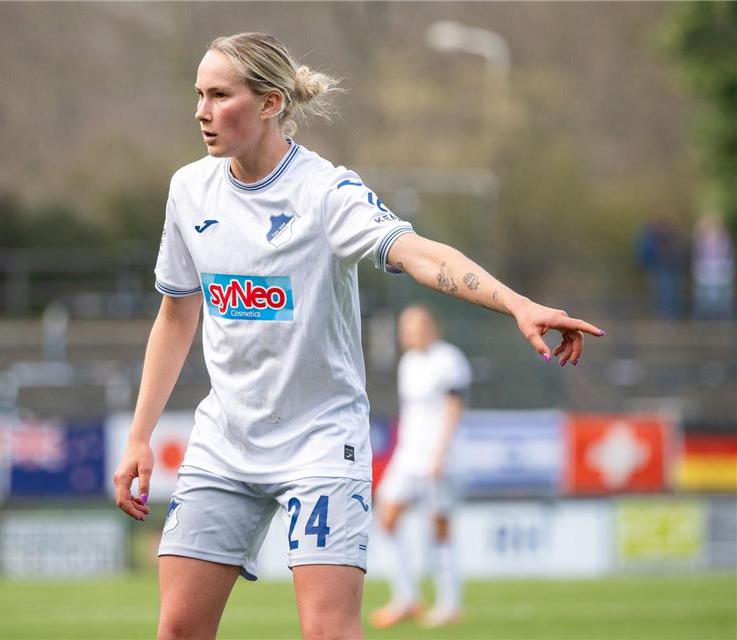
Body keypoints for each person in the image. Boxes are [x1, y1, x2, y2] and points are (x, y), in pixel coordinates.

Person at [113, 32, 604, 640]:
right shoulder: (190, 190)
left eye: (219, 95)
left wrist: (516, 303)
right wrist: (140, 434)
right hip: (225, 443)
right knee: (178, 630)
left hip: (320, 443)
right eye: (198, 95)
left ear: (269, 103)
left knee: (328, 633)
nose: (201, 111)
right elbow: (176, 313)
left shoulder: (325, 192)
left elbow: (418, 253)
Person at [370, 306, 471, 630]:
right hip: (408, 456)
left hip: (439, 456)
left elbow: (454, 407)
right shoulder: (408, 363)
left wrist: (441, 454)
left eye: (414, 326)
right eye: (405, 327)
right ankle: (406, 597)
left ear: (431, 327)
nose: (408, 333)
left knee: (438, 528)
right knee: (386, 514)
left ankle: (449, 603)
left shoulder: (449, 359)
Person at [692, 211, 734, 320]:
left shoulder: (724, 238)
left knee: (721, 294)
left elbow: (728, 255)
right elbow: (698, 254)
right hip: (706, 269)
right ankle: (705, 317)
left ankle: (723, 316)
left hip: (720, 269)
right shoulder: (701, 239)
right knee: (704, 294)